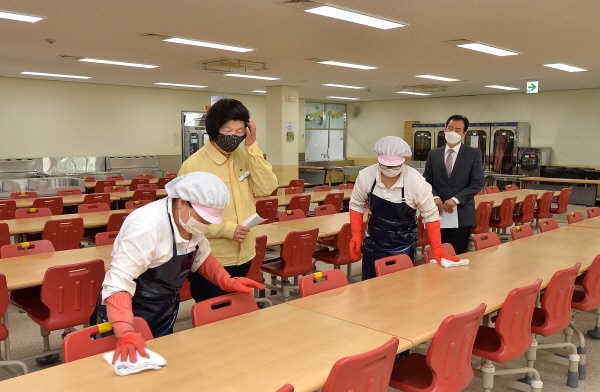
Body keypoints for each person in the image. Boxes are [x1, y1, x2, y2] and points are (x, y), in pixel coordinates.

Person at [98, 172, 264, 363]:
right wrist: (125, 330)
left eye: (210, 219)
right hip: (126, 311)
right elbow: (119, 282)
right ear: (182, 201)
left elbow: (200, 255)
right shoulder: (146, 228)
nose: (206, 223)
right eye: (203, 217)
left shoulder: (189, 222)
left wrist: (226, 281)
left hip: (165, 308)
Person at [178, 99, 278, 302]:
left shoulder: (245, 157)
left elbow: (267, 187)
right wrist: (226, 230)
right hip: (211, 257)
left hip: (246, 254)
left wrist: (252, 148)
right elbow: (183, 221)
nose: (234, 136)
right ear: (215, 129)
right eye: (228, 129)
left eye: (241, 130)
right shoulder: (193, 166)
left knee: (238, 315)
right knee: (214, 318)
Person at [349, 136, 459, 280]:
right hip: (373, 243)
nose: (389, 169)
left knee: (401, 290)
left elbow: (431, 215)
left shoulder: (416, 182)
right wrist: (356, 236)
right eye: (386, 165)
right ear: (378, 158)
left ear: (404, 159)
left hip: (403, 245)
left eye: (394, 165)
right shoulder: (366, 176)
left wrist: (436, 247)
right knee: (370, 289)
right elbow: (357, 205)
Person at [424, 114, 484, 254]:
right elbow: (426, 180)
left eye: (458, 130)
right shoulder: (434, 154)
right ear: (444, 129)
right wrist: (435, 197)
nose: (453, 132)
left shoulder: (473, 154)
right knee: (437, 254)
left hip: (461, 214)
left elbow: (477, 183)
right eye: (450, 128)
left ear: (464, 134)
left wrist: (456, 199)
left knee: (457, 254)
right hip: (437, 213)